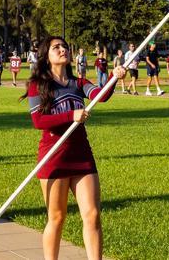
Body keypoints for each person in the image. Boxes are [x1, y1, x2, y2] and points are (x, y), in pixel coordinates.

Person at [27, 36, 126, 260]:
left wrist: (114, 77)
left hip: (81, 155)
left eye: (64, 46)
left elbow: (101, 96)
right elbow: (39, 121)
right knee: (57, 217)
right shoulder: (38, 85)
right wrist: (71, 115)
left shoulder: (78, 83)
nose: (62, 50)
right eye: (56, 48)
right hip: (54, 157)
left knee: (92, 215)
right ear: (46, 56)